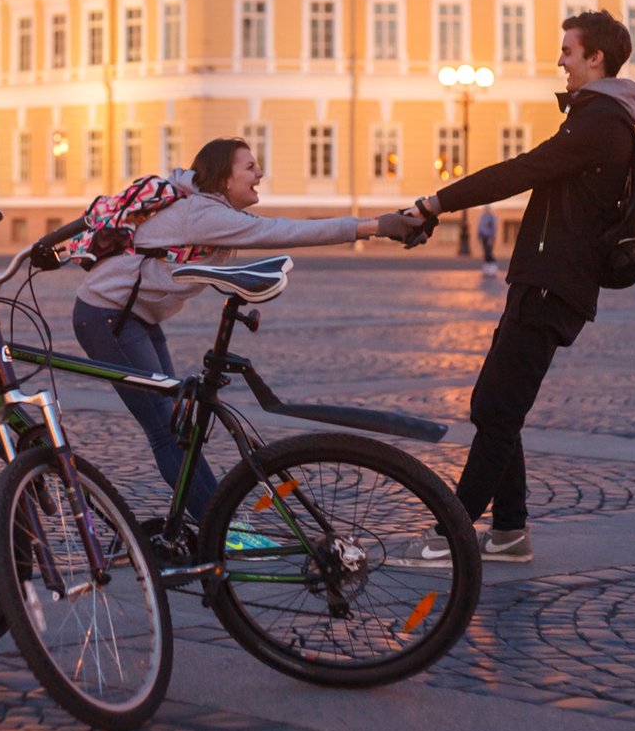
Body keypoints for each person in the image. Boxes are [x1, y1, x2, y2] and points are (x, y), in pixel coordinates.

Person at [392, 10, 635, 567]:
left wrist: (436, 202)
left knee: (497, 411)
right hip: (542, 283)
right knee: (494, 407)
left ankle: (451, 536)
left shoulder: (600, 121)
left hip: (553, 287)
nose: (560, 60)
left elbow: (520, 171)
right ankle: (507, 532)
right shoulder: (599, 117)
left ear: (595, 57)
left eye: (568, 51)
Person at [73, 137, 421, 521]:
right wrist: (372, 226)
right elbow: (283, 232)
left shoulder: (212, 211)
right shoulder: (205, 215)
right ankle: (217, 527)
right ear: (224, 180)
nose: (260, 173)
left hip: (136, 317)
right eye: (250, 167)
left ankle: (213, 524)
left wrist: (377, 225)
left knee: (175, 427)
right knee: (166, 430)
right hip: (107, 317)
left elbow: (275, 229)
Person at [476, 205, 499, 277]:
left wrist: (491, 238)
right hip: (484, 237)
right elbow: (480, 226)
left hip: (489, 237)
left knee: (489, 253)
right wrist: (478, 235)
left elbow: (493, 229)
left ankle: (492, 269)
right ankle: (486, 270)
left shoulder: (492, 217)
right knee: (485, 253)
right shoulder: (482, 217)